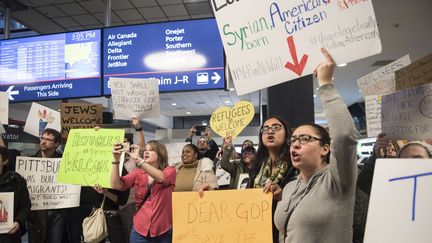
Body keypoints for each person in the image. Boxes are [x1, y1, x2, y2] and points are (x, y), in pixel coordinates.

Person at [274, 48, 358, 243]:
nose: (295, 145)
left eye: (304, 139)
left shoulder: (337, 180)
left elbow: (344, 136)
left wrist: (326, 84)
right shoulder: (289, 187)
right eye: (293, 140)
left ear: (325, 149)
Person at [110, 141, 176, 243]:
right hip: (140, 231)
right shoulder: (138, 173)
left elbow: (161, 178)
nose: (146, 152)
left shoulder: (170, 170)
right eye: (145, 150)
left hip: (163, 231)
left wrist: (138, 159)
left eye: (151, 150)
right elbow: (116, 185)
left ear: (160, 153)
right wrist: (115, 160)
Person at [28, 128, 67, 243]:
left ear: (56, 144)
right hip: (35, 211)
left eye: (48, 140)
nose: (43, 142)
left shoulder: (64, 162)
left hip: (56, 211)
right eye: (42, 138)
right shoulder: (30, 161)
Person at [0, 145, 32, 243]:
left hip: (9, 235)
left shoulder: (16, 180)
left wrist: (18, 222)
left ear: (5, 161)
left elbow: (25, 205)